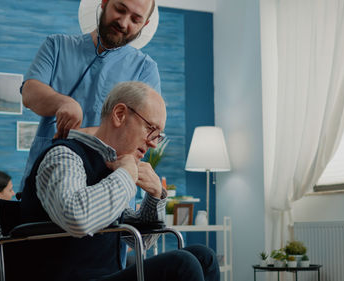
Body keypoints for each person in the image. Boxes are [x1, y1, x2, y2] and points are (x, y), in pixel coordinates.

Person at [19, 82, 220, 281]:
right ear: (120, 114)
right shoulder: (64, 155)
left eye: (158, 136)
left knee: (204, 257)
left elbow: (137, 240)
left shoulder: (109, 166)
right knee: (182, 263)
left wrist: (155, 197)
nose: (152, 143)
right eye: (150, 129)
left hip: (107, 275)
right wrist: (126, 173)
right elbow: (77, 218)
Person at [19, 0, 161, 192]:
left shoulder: (145, 69)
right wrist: (63, 102)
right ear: (104, 3)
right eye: (120, 9)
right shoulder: (57, 45)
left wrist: (76, 136)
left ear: (144, 25)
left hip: (108, 189)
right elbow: (29, 92)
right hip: (46, 184)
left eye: (135, 19)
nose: (124, 22)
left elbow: (140, 134)